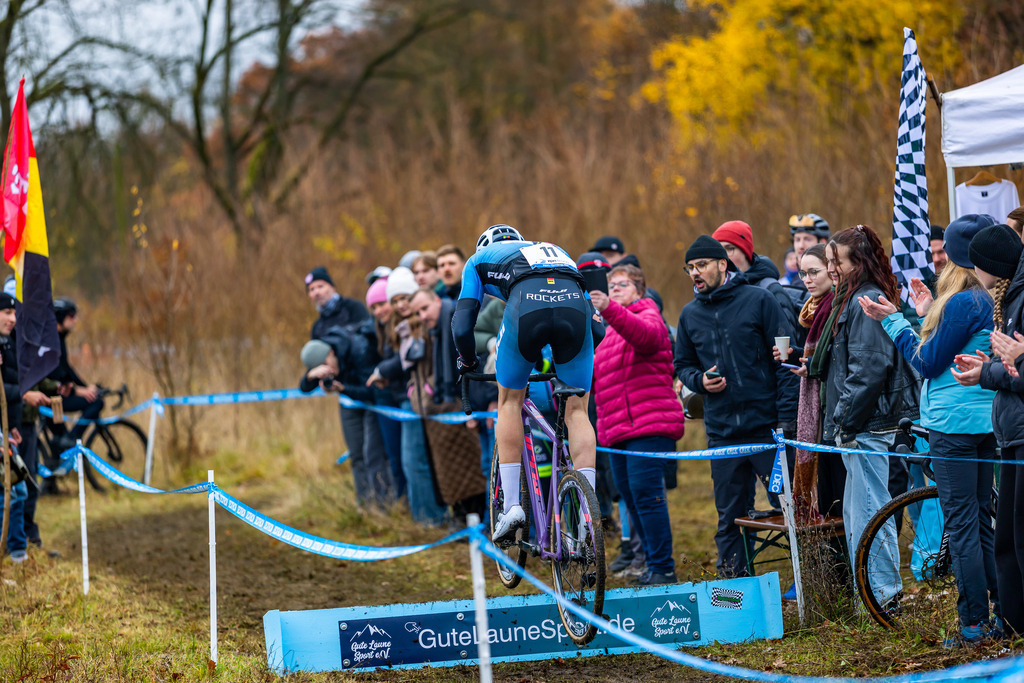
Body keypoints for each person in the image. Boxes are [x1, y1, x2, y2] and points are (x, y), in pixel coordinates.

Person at [860, 215, 999, 646]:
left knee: (962, 526)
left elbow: (925, 363)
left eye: (942, 254)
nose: (935, 261)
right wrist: (924, 315)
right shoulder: (985, 298)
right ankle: (1006, 612)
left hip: (953, 428)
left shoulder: (965, 301)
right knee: (980, 522)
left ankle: (973, 624)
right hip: (984, 423)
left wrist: (894, 321)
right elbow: (947, 347)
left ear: (956, 256)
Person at [452, 224, 603, 541]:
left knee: (509, 401)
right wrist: (570, 362)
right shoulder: (556, 250)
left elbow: (463, 323)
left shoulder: (479, 260)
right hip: (573, 309)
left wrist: (467, 361)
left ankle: (511, 508)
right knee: (577, 411)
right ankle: (589, 510)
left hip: (525, 307)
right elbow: (598, 330)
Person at [674, 235, 796, 578]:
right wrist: (700, 381)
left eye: (701, 265)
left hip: (768, 428)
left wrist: (785, 421)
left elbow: (785, 361)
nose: (695, 273)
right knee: (729, 518)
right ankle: (735, 595)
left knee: (790, 508)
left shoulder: (759, 300)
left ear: (722, 265)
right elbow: (681, 364)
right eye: (690, 268)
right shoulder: (689, 315)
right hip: (723, 433)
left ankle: (810, 585)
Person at [812, 225, 919, 609]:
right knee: (861, 515)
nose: (831, 268)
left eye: (835, 261)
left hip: (867, 426)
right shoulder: (849, 297)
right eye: (828, 262)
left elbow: (868, 368)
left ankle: (883, 598)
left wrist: (843, 422)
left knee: (873, 513)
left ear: (857, 262)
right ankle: (867, 598)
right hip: (858, 425)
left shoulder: (866, 299)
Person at [590, 264, 684, 585]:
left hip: (648, 425)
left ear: (639, 290)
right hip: (615, 430)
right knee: (630, 499)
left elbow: (647, 338)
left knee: (648, 496)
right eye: (610, 284)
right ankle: (651, 564)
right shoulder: (606, 329)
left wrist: (609, 308)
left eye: (622, 284)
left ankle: (663, 567)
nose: (614, 289)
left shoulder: (647, 312)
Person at [952, 222, 1024, 637]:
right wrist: (989, 369)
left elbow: (1021, 371)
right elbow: (1014, 368)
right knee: (1007, 541)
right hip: (1011, 432)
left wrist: (994, 372)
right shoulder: (1008, 296)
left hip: (1021, 433)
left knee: (1018, 540)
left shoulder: (1019, 296)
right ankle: (1013, 625)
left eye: (977, 264)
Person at [368, 267, 448, 525]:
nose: (401, 305)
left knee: (416, 460)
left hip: (425, 400)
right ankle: (422, 516)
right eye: (395, 301)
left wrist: (383, 371)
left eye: (404, 298)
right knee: (412, 460)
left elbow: (409, 360)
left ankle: (431, 519)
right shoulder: (400, 327)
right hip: (413, 400)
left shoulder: (422, 325)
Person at [775, 244, 843, 521]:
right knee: (827, 494)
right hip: (821, 410)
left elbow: (838, 360)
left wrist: (814, 369)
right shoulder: (812, 310)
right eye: (803, 273)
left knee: (835, 495)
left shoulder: (836, 307)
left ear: (831, 271)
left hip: (833, 411)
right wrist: (796, 355)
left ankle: (844, 562)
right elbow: (818, 353)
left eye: (814, 272)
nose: (807, 280)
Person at [408, 286, 487, 524]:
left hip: (467, 401)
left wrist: (471, 405)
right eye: (417, 313)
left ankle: (478, 518)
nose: (422, 316)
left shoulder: (455, 319)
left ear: (436, 300)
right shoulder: (435, 329)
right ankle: (465, 516)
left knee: (475, 466)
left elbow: (473, 363)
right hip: (448, 402)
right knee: (455, 469)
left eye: (424, 308)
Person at [299, 327, 394, 508]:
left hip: (372, 403)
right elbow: (303, 388)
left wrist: (343, 389)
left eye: (327, 365)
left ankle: (385, 504)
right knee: (357, 455)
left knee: (372, 452)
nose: (328, 371)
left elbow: (371, 392)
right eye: (322, 369)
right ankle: (365, 505)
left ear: (332, 352)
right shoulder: (323, 352)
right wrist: (311, 376)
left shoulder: (360, 349)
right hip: (350, 404)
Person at [364, 278, 405, 499]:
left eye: (382, 304)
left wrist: (382, 371)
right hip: (391, 398)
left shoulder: (401, 327)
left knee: (406, 458)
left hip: (403, 399)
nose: (379, 311)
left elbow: (404, 358)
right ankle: (401, 504)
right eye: (374, 307)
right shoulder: (381, 333)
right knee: (395, 457)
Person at [47, 298, 102, 450]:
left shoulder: (59, 337)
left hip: (57, 396)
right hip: (52, 398)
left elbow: (67, 368)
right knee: (97, 402)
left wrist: (85, 387)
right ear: (60, 317)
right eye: (71, 316)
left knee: (60, 436)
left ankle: (62, 447)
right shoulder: (52, 340)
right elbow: (55, 372)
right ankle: (71, 440)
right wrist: (79, 390)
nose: (75, 320)